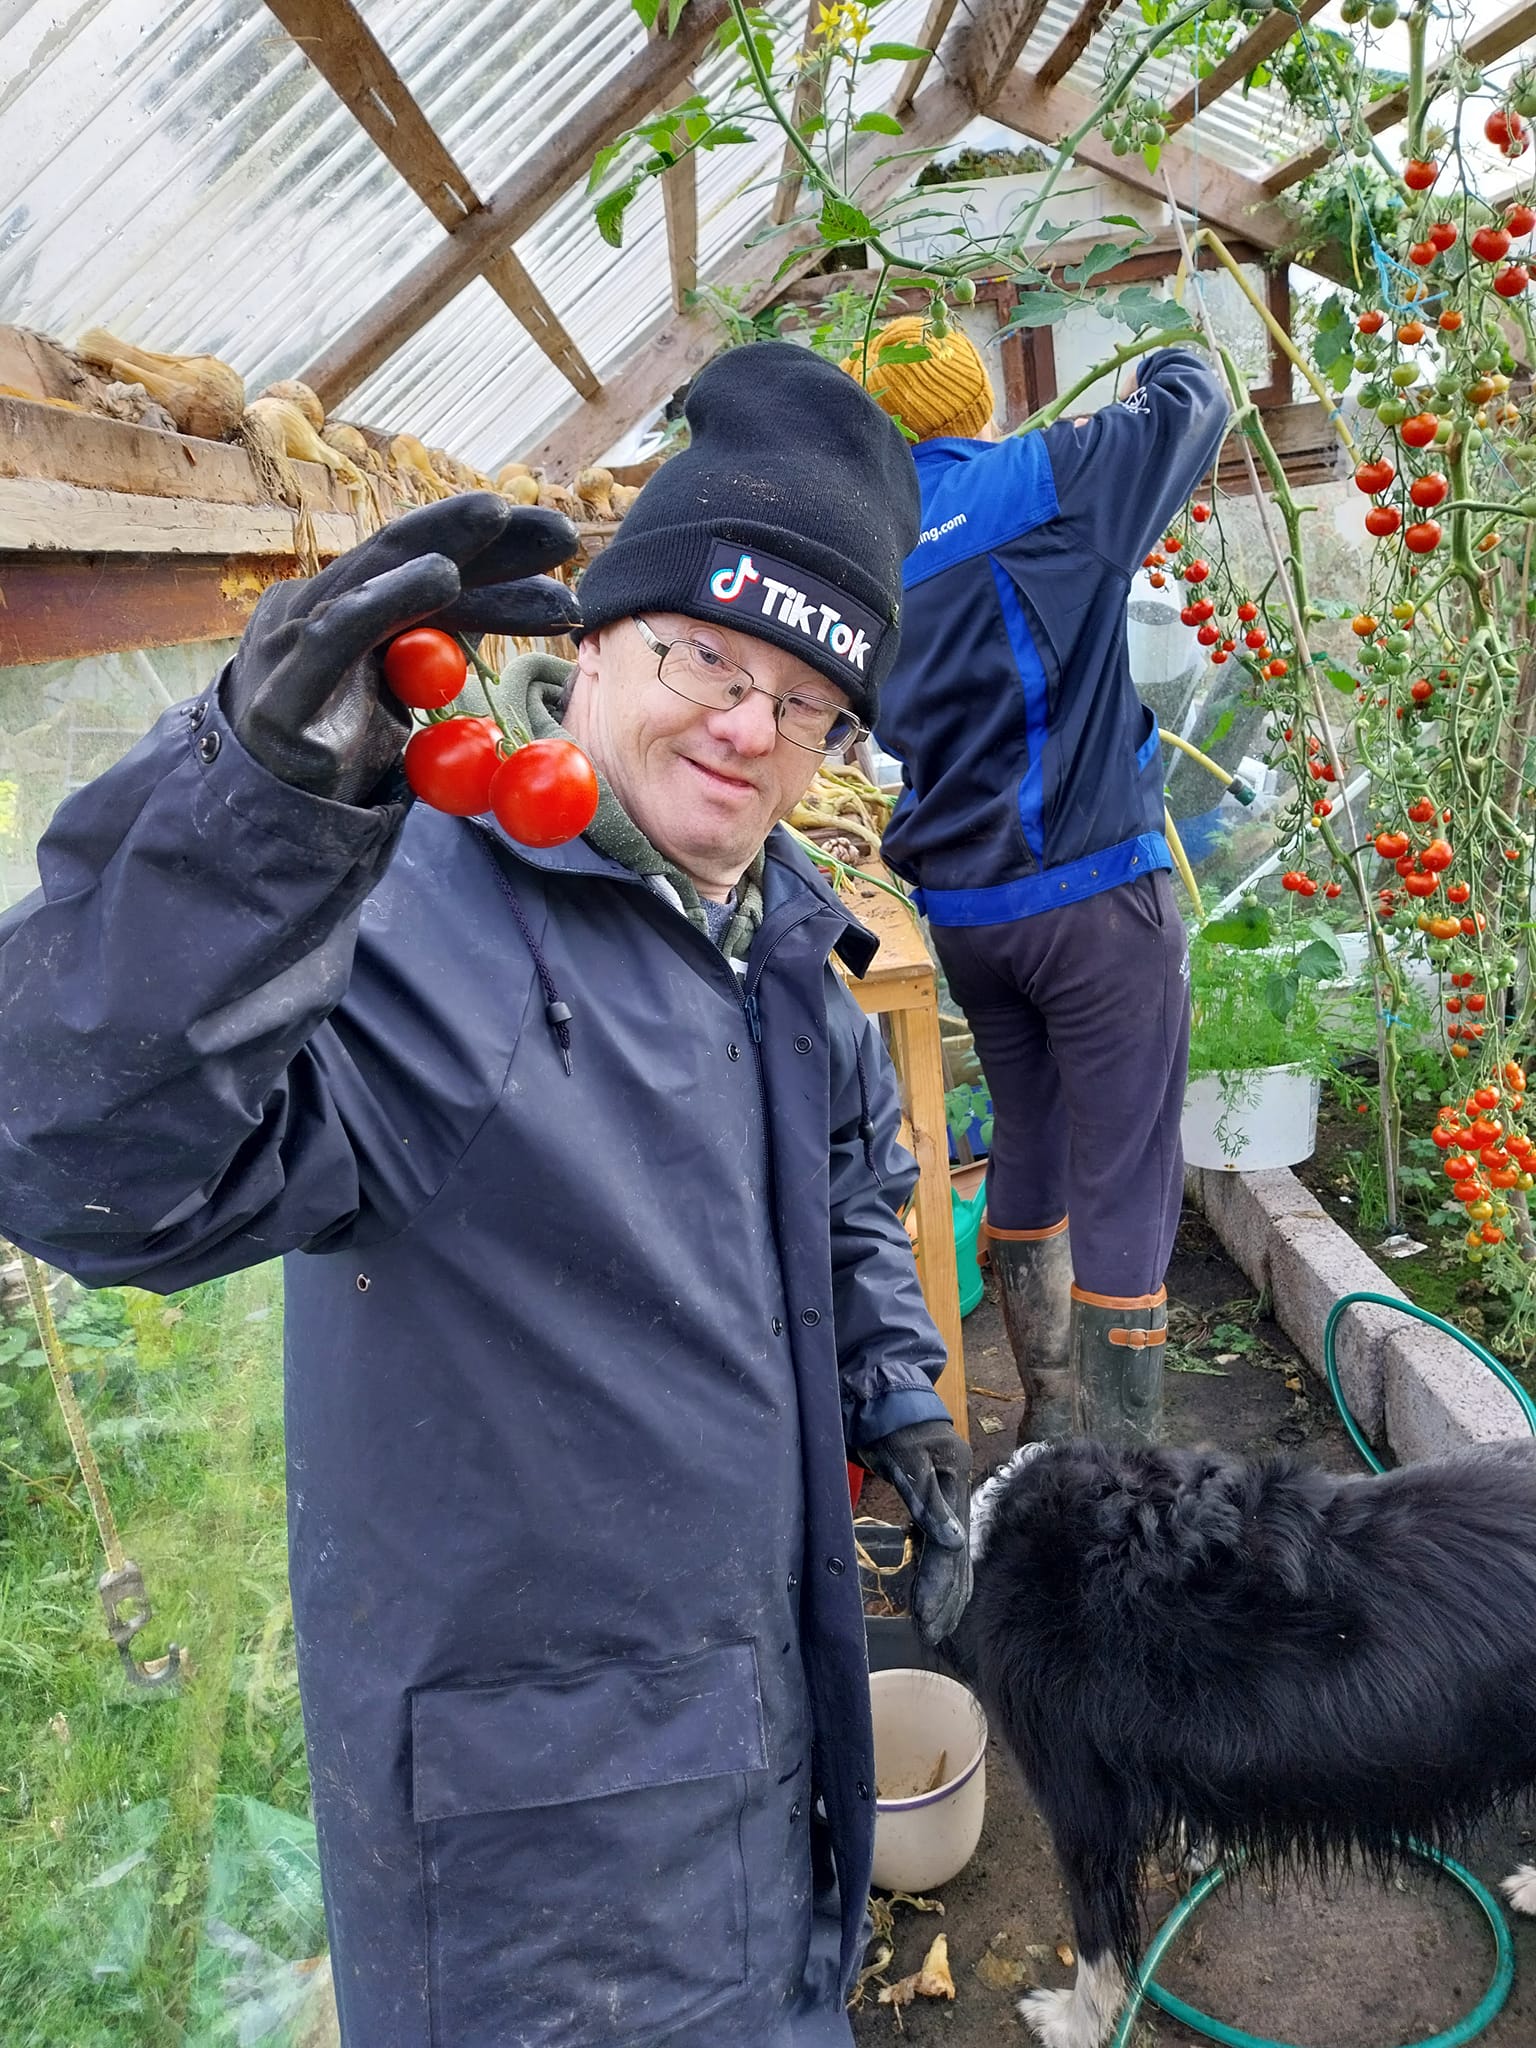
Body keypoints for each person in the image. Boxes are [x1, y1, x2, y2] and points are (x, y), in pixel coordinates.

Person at [0, 341, 973, 2047]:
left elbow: (848, 1174)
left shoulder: (779, 935)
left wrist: (898, 1396)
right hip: (552, 1880)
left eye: (808, 698)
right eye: (703, 653)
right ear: (591, 639)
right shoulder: (419, 922)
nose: (753, 725)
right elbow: (80, 1163)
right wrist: (256, 798)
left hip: (766, 1756)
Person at [844, 316, 1230, 1448]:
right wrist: (1170, 349)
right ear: (977, 406)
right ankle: (1120, 1479)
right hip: (1094, 899)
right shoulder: (1041, 477)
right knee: (1123, 1172)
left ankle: (1052, 1424)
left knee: (1032, 1139)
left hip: (967, 918)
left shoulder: (867, 547)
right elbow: (1195, 402)